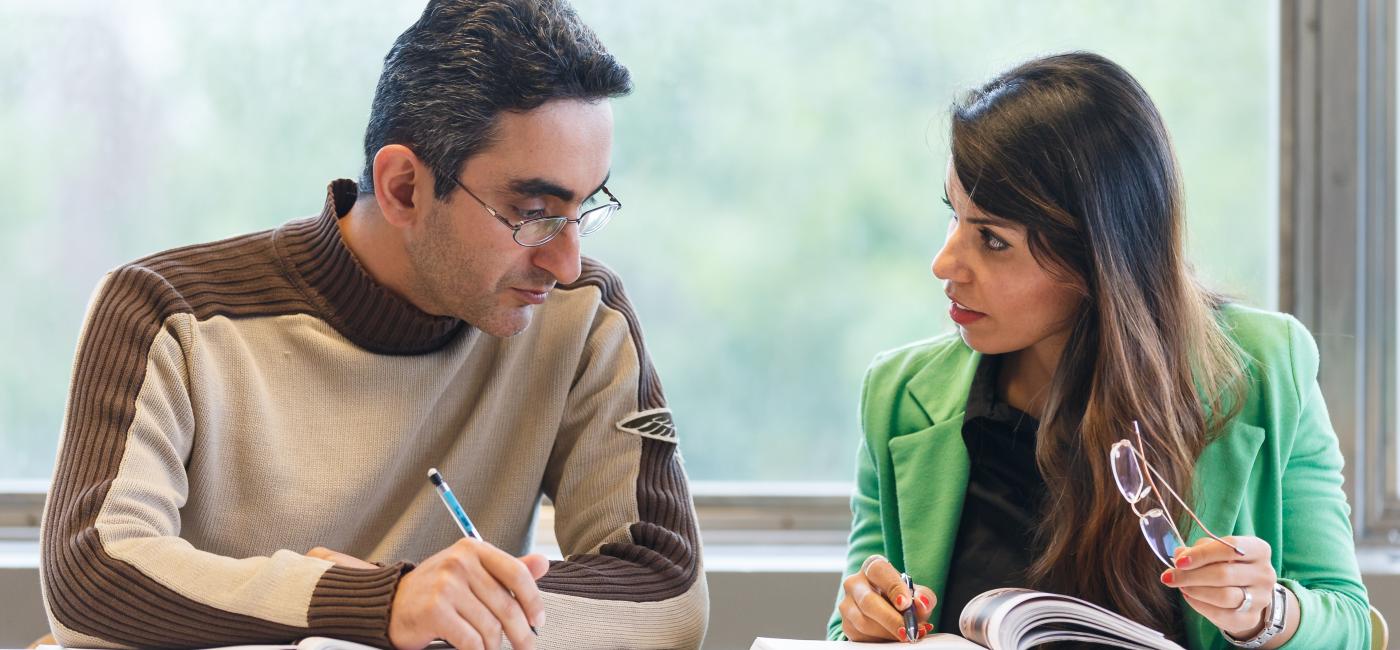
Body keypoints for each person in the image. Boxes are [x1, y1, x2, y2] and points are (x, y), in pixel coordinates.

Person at [39, 2, 707, 649]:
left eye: (585, 208)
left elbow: (665, 592)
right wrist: (382, 604)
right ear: (403, 189)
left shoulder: (583, 317)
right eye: (534, 211)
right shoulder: (162, 312)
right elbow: (93, 575)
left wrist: (431, 610)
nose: (565, 264)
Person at [828, 52, 1371, 648]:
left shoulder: (1268, 368)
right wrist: (863, 622)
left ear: (1095, 256)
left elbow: (1351, 624)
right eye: (953, 218)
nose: (944, 264)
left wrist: (1263, 613)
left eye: (991, 239)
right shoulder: (899, 395)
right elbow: (845, 628)